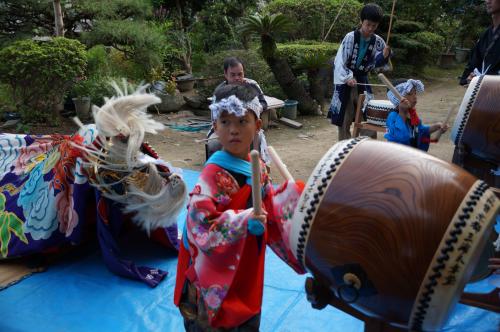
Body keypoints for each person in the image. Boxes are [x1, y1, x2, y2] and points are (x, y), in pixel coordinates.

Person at [174, 84, 305, 331]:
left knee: (246, 315)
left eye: (242, 121)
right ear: (214, 127)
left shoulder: (259, 167)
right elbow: (199, 227)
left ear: (257, 125)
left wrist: (290, 196)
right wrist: (243, 221)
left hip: (245, 263)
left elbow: (268, 204)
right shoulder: (212, 175)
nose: (233, 130)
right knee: (214, 322)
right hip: (212, 273)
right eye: (225, 122)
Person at [328, 3, 391, 141]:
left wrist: (384, 56)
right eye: (367, 24)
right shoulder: (350, 37)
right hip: (345, 82)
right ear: (361, 21)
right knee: (345, 116)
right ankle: (344, 147)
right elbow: (340, 61)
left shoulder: (378, 41)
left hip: (362, 81)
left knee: (368, 114)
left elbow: (377, 65)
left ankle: (368, 148)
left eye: (374, 26)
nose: (370, 28)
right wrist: (347, 78)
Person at [206, 57, 270, 166]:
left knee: (257, 138)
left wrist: (253, 110)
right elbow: (215, 118)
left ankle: (259, 166)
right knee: (213, 144)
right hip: (225, 127)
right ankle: (222, 165)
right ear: (225, 74)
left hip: (248, 124)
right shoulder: (219, 92)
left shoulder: (252, 86)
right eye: (233, 75)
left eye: (240, 74)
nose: (237, 78)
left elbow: (264, 103)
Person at [384, 79, 448, 151]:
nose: (415, 97)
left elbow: (419, 130)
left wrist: (436, 127)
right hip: (400, 158)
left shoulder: (412, 114)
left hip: (413, 155)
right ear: (397, 98)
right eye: (409, 94)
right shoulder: (392, 117)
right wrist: (402, 112)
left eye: (415, 93)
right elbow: (401, 138)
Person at [459, 0, 500, 85]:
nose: (487, 1)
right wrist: (469, 79)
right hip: (484, 93)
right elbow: (474, 62)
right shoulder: (485, 35)